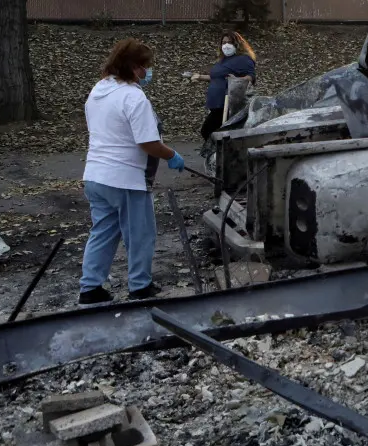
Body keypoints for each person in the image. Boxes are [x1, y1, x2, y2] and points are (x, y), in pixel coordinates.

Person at [80, 38, 186, 304]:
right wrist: (172, 155)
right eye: (145, 66)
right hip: (125, 177)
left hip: (95, 175)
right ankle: (140, 286)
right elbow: (148, 142)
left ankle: (90, 288)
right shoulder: (134, 96)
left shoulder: (98, 89)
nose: (147, 72)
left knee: (103, 230)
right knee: (140, 233)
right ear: (135, 67)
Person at [190, 31, 257, 140]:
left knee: (207, 131)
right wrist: (200, 77)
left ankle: (217, 153)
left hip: (227, 103)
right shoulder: (222, 60)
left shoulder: (243, 59)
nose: (226, 45)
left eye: (230, 42)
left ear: (237, 44)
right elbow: (217, 77)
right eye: (224, 42)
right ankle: (219, 153)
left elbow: (251, 77)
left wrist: (237, 79)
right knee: (217, 133)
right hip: (215, 103)